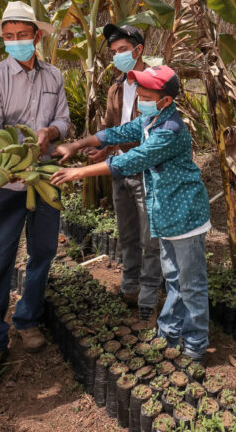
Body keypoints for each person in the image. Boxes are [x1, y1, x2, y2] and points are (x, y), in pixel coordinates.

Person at [51, 65, 211, 364]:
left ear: (165, 100)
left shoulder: (170, 130)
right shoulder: (151, 119)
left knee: (191, 285)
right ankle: (169, 333)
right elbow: (118, 132)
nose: (139, 98)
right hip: (165, 215)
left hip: (185, 218)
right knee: (174, 279)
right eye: (139, 92)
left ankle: (195, 345)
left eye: (147, 95)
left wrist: (78, 173)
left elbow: (131, 160)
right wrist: (77, 144)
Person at [0, 1, 71, 384]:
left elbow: (63, 118)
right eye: (8, 38)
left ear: (37, 36)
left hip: (45, 177)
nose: (15, 43)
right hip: (5, 183)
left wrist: (53, 133)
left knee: (43, 252)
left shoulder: (54, 77)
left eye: (22, 36)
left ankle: (28, 318)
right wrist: (25, 150)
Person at [91, 23, 162, 321]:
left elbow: (160, 130)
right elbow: (111, 126)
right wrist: (103, 150)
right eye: (114, 52)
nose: (117, 56)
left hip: (146, 170)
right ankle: (130, 286)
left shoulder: (157, 83)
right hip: (120, 168)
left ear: (138, 50)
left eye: (122, 50)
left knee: (150, 237)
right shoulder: (116, 87)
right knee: (128, 233)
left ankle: (149, 294)